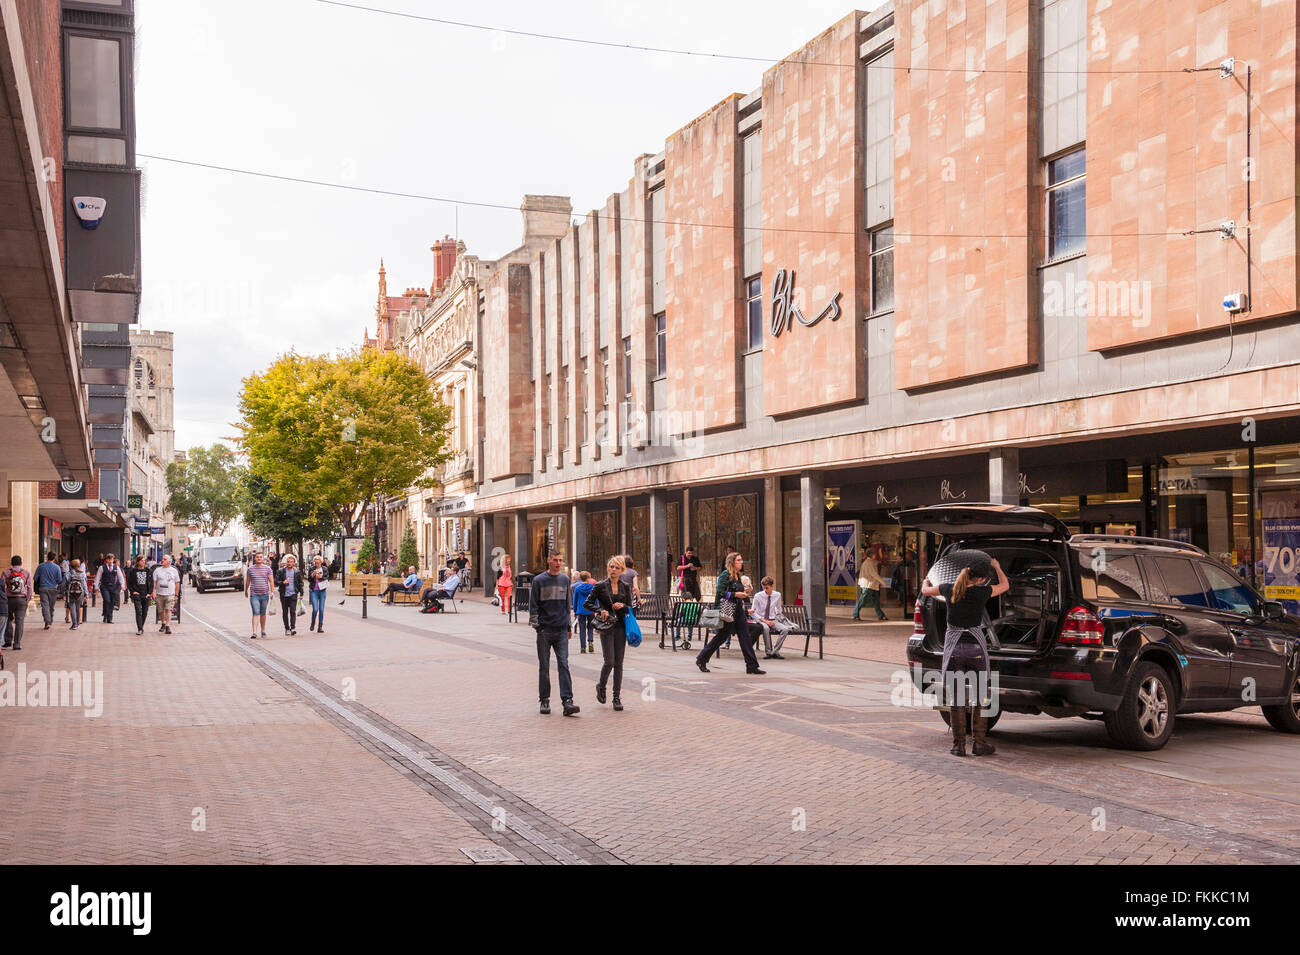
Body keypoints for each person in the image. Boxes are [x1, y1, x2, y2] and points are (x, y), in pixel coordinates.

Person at [921, 554, 1009, 757]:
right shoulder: (982, 592)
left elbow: (926, 591)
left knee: (957, 699)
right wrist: (997, 566)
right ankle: (979, 743)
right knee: (980, 698)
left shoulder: (948, 588)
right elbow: (1005, 585)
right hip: (976, 650)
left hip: (954, 651)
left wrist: (927, 578)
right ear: (979, 579)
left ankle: (958, 746)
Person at [695, 551, 764, 675]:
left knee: (745, 638)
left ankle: (752, 666)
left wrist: (745, 593)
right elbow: (720, 592)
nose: (741, 562)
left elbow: (739, 593)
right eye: (738, 560)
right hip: (728, 611)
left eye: (741, 560)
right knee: (721, 637)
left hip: (738, 611)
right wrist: (735, 594)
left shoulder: (738, 576)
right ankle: (702, 659)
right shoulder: (725, 575)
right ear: (732, 562)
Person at [529, 551, 578, 717]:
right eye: (555, 560)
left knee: (564, 664)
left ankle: (567, 700)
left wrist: (569, 627)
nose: (558, 563)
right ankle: (544, 699)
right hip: (544, 630)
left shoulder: (565, 580)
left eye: (561, 560)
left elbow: (567, 605)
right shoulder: (539, 580)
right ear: (548, 560)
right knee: (544, 666)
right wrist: (538, 627)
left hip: (561, 629)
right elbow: (533, 606)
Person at [585, 555, 635, 711]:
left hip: (620, 627)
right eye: (611, 567)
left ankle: (616, 697)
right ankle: (601, 685)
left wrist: (623, 605)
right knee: (609, 661)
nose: (613, 570)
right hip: (607, 627)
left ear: (622, 570)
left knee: (619, 663)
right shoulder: (600, 585)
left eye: (616, 567)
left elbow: (630, 606)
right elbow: (587, 603)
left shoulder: (625, 586)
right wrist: (600, 610)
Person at [751, 576, 792, 660]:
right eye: (763, 588)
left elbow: (778, 609)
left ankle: (775, 652)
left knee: (785, 629)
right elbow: (753, 612)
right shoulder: (758, 596)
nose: (765, 590)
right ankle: (768, 652)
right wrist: (765, 621)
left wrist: (777, 617)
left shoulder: (777, 595)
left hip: (772, 619)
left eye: (767, 588)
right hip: (761, 619)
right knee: (765, 628)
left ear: (772, 586)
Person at [3, 556, 33, 650]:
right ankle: (17, 644)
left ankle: (8, 641)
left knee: (7, 619)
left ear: (11, 563)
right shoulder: (26, 572)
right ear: (21, 563)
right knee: (20, 622)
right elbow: (29, 588)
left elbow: (1, 587)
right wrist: (27, 600)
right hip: (21, 600)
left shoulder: (6, 572)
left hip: (9, 599)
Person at [853, 545, 888, 621]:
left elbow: (875, 565)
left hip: (870, 585)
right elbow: (874, 574)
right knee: (863, 600)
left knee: (875, 601)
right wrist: (883, 582)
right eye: (874, 554)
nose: (875, 555)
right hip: (868, 585)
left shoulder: (869, 562)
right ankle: (855, 614)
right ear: (871, 555)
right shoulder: (869, 563)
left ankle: (881, 615)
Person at [245, 552, 274, 639]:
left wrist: (272, 592)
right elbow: (248, 581)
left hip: (265, 594)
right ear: (255, 558)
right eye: (257, 557)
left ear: (263, 558)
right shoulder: (250, 569)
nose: (259, 558)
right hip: (254, 595)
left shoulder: (268, 569)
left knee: (263, 613)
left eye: (260, 557)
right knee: (256, 612)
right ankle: (254, 632)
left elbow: (271, 581)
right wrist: (245, 591)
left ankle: (263, 630)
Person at [151, 554, 181, 634]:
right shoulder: (157, 570)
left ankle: (168, 626)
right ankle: (163, 623)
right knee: (161, 610)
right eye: (162, 559)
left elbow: (177, 583)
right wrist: (153, 592)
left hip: (170, 593)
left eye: (164, 559)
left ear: (169, 561)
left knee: (169, 609)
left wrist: (176, 595)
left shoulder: (174, 570)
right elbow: (154, 582)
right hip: (159, 593)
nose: (162, 560)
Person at [34, 552, 64, 632]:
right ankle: (49, 620)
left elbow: (35, 577)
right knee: (51, 606)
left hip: (43, 588)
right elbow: (59, 580)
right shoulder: (57, 567)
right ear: (54, 558)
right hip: (53, 589)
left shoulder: (41, 566)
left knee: (45, 605)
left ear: (47, 557)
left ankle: (47, 621)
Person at [125, 555, 154, 635]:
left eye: (144, 560)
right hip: (137, 595)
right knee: (138, 611)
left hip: (146, 595)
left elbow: (151, 583)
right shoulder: (133, 571)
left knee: (145, 612)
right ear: (138, 562)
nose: (143, 562)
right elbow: (129, 583)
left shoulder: (148, 571)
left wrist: (150, 593)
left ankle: (141, 626)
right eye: (141, 560)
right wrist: (133, 591)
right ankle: (140, 629)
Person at [276, 554, 304, 635]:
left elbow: (300, 583)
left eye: (291, 562)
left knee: (292, 611)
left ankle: (293, 628)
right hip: (283, 594)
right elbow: (276, 581)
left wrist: (301, 593)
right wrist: (283, 582)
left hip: (293, 594)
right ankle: (287, 628)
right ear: (286, 563)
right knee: (285, 612)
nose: (289, 563)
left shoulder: (297, 572)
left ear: (294, 563)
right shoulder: (281, 571)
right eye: (288, 562)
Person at [94, 554, 126, 624]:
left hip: (113, 587)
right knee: (107, 600)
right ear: (106, 560)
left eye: (112, 559)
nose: (111, 561)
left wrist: (123, 585)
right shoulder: (102, 567)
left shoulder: (116, 567)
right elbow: (98, 577)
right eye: (109, 559)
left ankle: (109, 618)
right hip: (104, 587)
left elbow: (121, 577)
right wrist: (96, 587)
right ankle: (105, 615)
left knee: (111, 602)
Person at [571, 571, 595, 654]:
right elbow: (595, 599)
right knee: (591, 627)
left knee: (582, 629)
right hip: (590, 610)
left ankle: (583, 647)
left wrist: (575, 610)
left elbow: (575, 600)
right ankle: (591, 642)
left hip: (581, 610)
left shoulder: (577, 588)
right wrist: (595, 609)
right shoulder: (592, 587)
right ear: (588, 578)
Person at [306, 555, 330, 632]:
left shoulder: (325, 569)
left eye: (318, 563)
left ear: (321, 562)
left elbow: (327, 578)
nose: (317, 565)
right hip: (314, 591)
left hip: (322, 591)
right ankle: (312, 623)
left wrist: (321, 577)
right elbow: (309, 579)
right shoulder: (312, 569)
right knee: (315, 609)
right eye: (315, 563)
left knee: (321, 609)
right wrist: (312, 575)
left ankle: (320, 626)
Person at [65, 558, 88, 630]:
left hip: (71, 593)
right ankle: (77, 623)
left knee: (72, 608)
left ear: (70, 566)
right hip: (80, 593)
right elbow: (84, 585)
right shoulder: (82, 573)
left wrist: (64, 592)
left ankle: (74, 624)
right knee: (78, 607)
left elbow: (65, 583)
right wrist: (86, 594)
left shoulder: (68, 573)